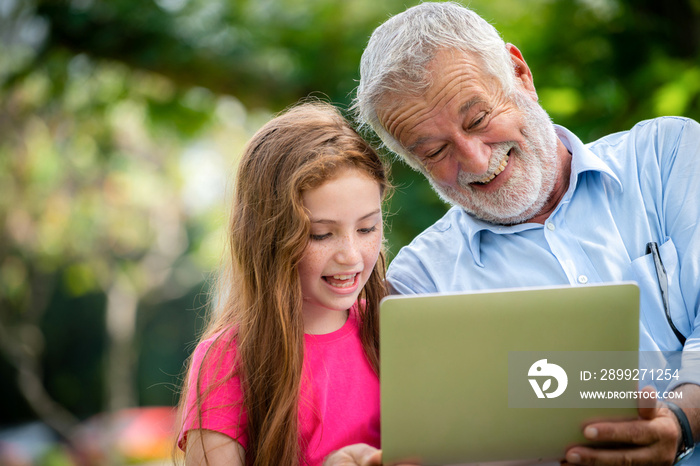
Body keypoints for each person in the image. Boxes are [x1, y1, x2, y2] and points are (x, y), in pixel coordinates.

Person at [353, 2, 699, 465]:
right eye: (435, 151)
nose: (475, 162)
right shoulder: (421, 284)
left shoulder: (666, 156)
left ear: (520, 74)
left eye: (477, 119)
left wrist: (679, 420)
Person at [176, 101, 390, 466]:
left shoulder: (392, 326)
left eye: (367, 228)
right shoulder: (228, 359)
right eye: (321, 235)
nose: (351, 255)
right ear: (269, 237)